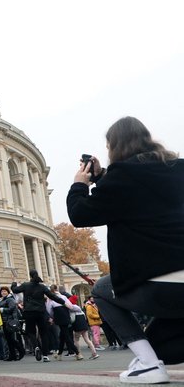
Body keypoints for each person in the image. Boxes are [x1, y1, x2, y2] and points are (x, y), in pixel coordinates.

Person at [67, 116, 184, 384]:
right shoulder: (178, 169)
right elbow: (145, 190)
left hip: (160, 281)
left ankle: (149, 365)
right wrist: (105, 178)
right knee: (161, 344)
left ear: (114, 146)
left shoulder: (121, 179)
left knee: (100, 290)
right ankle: (152, 359)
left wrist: (80, 185)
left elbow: (80, 215)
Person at [11, 270, 65, 363]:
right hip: (41, 312)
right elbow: (52, 296)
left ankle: (36, 346)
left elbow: (14, 290)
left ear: (30, 276)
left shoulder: (25, 285)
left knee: (31, 331)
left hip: (29, 311)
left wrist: (14, 281)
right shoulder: (42, 287)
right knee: (43, 333)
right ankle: (45, 355)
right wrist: (63, 302)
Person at [47, 284, 81, 361]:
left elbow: (49, 310)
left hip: (58, 318)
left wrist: (52, 318)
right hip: (66, 316)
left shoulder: (51, 299)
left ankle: (77, 352)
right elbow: (70, 306)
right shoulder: (63, 297)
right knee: (62, 336)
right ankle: (59, 354)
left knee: (66, 336)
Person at [0, 286, 25, 361]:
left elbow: (12, 308)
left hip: (10, 321)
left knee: (11, 339)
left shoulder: (10, 299)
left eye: (5, 291)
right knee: (8, 339)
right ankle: (12, 355)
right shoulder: (1, 300)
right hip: (4, 321)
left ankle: (21, 350)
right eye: (2, 291)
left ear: (8, 292)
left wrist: (2, 310)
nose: (3, 292)